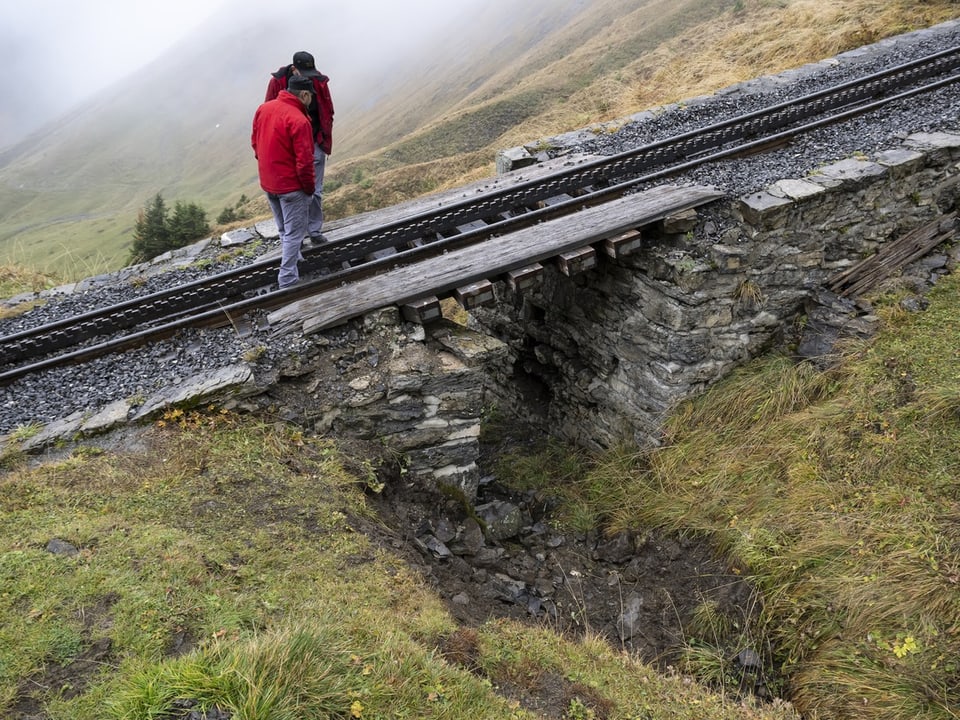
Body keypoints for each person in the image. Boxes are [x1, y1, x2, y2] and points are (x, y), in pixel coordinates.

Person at [251, 74, 317, 288]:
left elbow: (255, 143)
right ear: (305, 94)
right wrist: (308, 189)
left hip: (269, 182)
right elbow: (305, 161)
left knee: (283, 228)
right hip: (291, 187)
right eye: (311, 97)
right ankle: (287, 278)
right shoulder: (299, 120)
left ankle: (295, 259)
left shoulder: (264, 108)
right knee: (294, 233)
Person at [265, 51, 334, 242]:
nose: (308, 76)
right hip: (287, 145)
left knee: (315, 191)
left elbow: (327, 110)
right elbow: (268, 113)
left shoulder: (317, 80)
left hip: (314, 140)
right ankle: (295, 235)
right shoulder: (277, 82)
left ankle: (314, 231)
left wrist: (323, 140)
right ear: (294, 68)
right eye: (304, 72)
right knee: (292, 191)